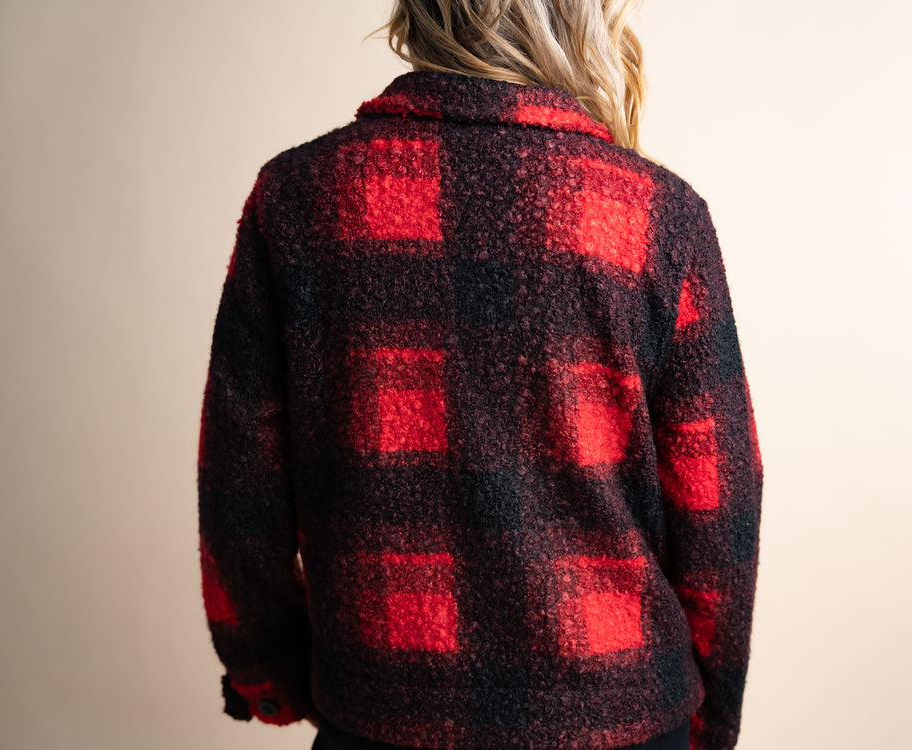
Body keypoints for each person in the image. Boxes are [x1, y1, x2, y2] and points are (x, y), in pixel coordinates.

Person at [196, 1, 764, 749]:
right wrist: (711, 717)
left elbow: (241, 489)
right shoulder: (656, 215)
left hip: (382, 710)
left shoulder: (299, 198)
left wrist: (272, 674)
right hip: (618, 713)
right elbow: (719, 504)